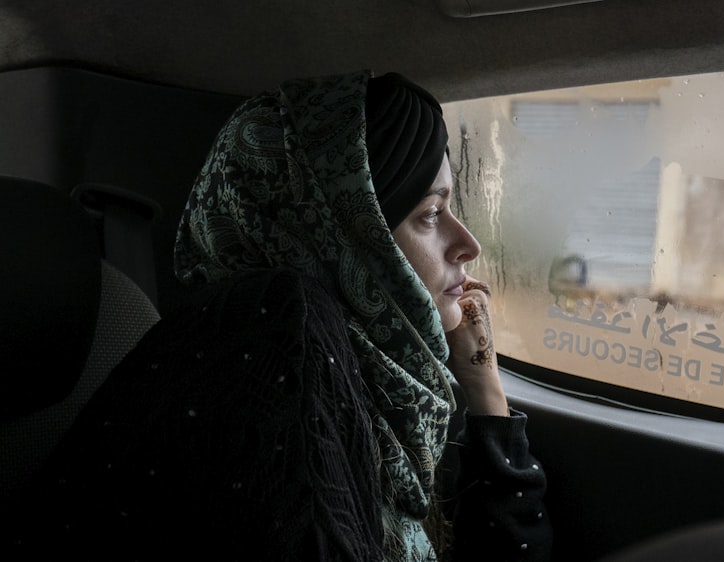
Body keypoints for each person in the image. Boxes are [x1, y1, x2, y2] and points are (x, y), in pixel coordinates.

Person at [10, 71, 551, 562]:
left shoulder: (379, 383)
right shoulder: (276, 353)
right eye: (430, 214)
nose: (469, 244)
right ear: (343, 238)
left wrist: (484, 387)